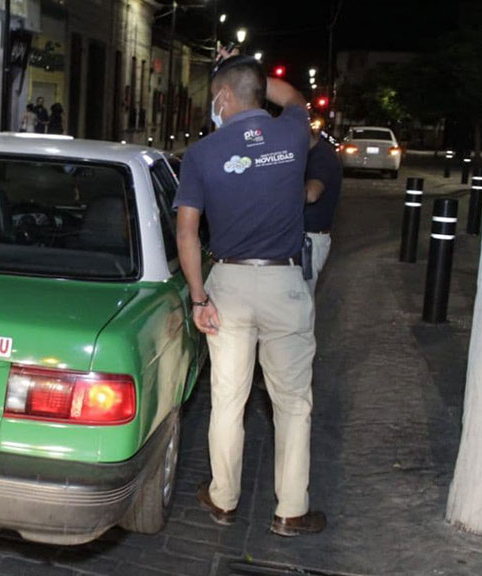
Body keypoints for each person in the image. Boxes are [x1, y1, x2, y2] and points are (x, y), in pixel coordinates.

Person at [173, 49, 326, 537]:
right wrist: (249, 70)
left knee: (228, 400)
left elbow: (187, 234)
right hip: (283, 285)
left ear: (221, 97)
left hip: (230, 288)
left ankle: (223, 499)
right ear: (259, 94)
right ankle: (291, 510)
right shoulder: (292, 132)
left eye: (213, 98)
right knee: (293, 404)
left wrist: (199, 299)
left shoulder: (201, 155)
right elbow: (294, 96)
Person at [304, 128, 343, 293]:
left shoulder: (322, 157)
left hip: (310, 239)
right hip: (308, 237)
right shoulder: (313, 153)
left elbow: (312, 194)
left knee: (301, 298)